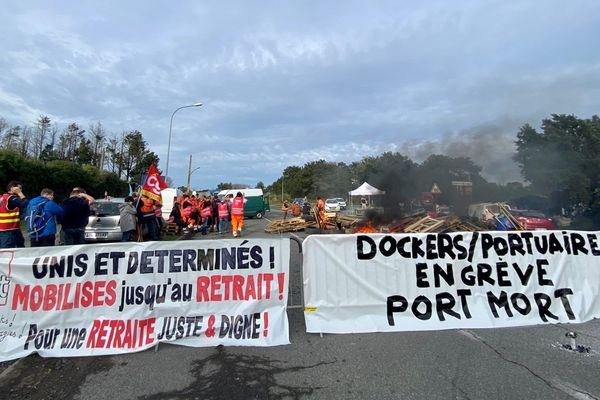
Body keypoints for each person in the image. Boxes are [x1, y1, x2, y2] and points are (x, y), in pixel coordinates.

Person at [0, 181, 29, 248]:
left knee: (19, 246)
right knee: (8, 251)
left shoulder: (2, 197)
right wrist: (20, 194)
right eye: (19, 188)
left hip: (9, 229)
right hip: (9, 230)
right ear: (12, 188)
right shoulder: (11, 198)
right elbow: (25, 203)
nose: (20, 190)